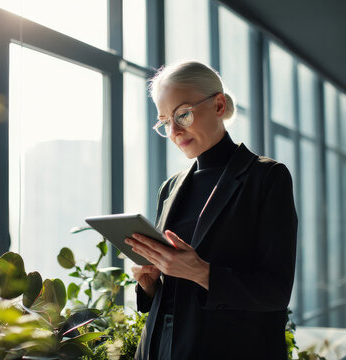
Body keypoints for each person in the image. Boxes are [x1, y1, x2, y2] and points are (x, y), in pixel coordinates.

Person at [124, 61, 297, 360]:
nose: (175, 131)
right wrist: (151, 284)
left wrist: (202, 273)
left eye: (183, 114)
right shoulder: (170, 188)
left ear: (218, 105)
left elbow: (276, 292)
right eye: (165, 121)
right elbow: (172, 298)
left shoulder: (267, 177)